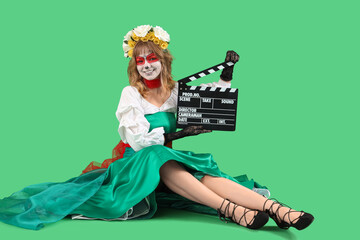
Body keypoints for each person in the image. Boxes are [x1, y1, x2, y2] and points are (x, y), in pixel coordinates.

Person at [0, 25, 314, 231]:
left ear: (163, 60)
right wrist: (177, 134)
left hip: (168, 161)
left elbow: (209, 101)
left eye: (152, 58)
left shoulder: (176, 91)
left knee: (204, 170)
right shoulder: (130, 94)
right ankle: (231, 210)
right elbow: (138, 141)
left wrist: (228, 71)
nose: (147, 64)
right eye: (140, 60)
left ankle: (278, 209)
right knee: (155, 156)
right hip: (136, 165)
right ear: (134, 65)